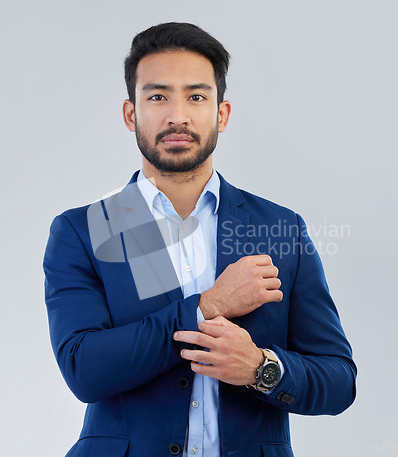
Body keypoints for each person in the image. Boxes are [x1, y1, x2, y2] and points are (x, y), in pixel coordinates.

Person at [43, 22, 357, 457]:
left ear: (221, 114)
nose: (178, 116)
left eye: (196, 96)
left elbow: (339, 380)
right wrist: (206, 307)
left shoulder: (279, 229)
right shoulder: (91, 228)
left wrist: (261, 368)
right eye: (157, 97)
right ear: (131, 113)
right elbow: (85, 370)